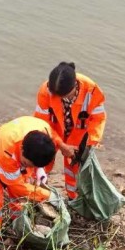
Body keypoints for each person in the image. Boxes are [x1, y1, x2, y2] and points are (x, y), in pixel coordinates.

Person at [0, 116, 60, 250]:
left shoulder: (45, 131)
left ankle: (19, 224)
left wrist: (39, 169)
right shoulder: (7, 146)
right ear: (22, 149)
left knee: (20, 198)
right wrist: (48, 195)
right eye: (28, 164)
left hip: (13, 159)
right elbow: (15, 186)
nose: (30, 167)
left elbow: (53, 144)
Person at [34, 62, 106, 200]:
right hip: (51, 132)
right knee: (42, 160)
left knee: (75, 168)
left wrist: (88, 145)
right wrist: (60, 144)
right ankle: (38, 192)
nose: (60, 99)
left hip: (79, 136)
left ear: (75, 86)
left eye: (65, 96)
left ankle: (74, 198)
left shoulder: (92, 91)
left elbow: (98, 120)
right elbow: (42, 123)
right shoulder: (46, 90)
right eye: (57, 96)